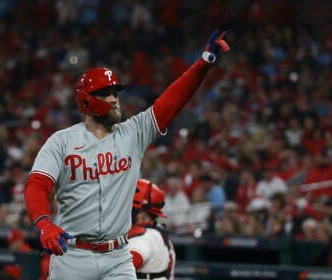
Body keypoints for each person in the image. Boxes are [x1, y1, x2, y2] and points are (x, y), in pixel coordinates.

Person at [23, 29, 230, 279]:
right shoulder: (62, 141)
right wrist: (44, 223)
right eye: (105, 93)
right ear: (86, 101)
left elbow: (171, 101)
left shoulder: (133, 133)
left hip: (118, 256)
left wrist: (203, 64)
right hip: (73, 257)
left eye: (115, 93)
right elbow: (37, 184)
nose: (114, 99)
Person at [128, 178, 175, 280]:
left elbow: (120, 271)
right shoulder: (157, 230)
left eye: (130, 207)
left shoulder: (144, 238)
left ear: (142, 214)